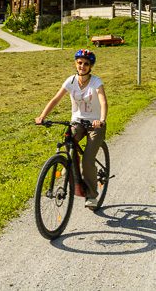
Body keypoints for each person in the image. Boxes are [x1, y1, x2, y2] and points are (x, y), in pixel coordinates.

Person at [36, 48, 108, 209]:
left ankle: (91, 195)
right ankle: (68, 166)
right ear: (76, 63)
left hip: (95, 124)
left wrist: (101, 120)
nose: (82, 66)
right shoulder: (71, 81)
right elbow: (55, 99)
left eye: (86, 64)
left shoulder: (96, 82)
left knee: (88, 160)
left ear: (91, 66)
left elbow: (103, 101)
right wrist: (42, 116)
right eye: (80, 63)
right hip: (77, 121)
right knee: (68, 140)